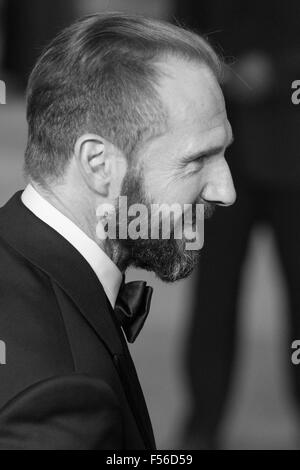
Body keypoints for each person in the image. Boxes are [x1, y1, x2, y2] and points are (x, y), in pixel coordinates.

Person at [0, 13, 235, 449]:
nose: (226, 192)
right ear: (97, 165)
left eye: (224, 154)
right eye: (197, 160)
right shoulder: (56, 392)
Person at [175, 0, 300, 449]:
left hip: (293, 158)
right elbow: (180, 36)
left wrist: (279, 72)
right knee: (213, 297)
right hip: (221, 157)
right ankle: (203, 423)